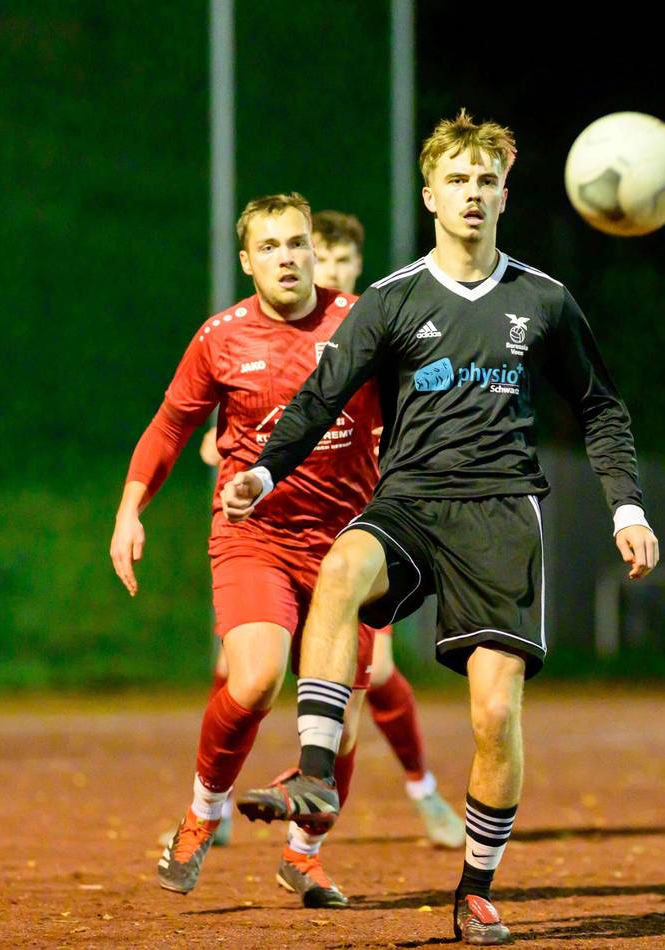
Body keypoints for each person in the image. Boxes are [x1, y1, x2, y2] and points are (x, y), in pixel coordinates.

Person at [221, 111, 660, 945]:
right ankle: (315, 773)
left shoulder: (545, 300)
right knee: (344, 566)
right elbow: (319, 398)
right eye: (456, 180)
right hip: (412, 500)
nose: (472, 194)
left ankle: (476, 889)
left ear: (504, 195)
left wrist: (626, 505)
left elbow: (601, 406)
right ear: (430, 195)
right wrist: (267, 469)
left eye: (485, 181)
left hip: (503, 513)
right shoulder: (393, 299)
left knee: (495, 717)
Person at [110, 192, 385, 909]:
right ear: (246, 261)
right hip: (254, 536)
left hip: (346, 548)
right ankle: (203, 814)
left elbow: (406, 418)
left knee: (343, 724)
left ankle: (306, 856)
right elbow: (169, 428)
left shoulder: (361, 322)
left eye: (296, 243)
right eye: (270, 247)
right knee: (257, 678)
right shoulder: (221, 337)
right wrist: (129, 510)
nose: (287, 257)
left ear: (312, 250)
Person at [199, 209, 464, 850]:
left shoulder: (366, 337)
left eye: (344, 263)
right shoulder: (258, 341)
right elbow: (221, 441)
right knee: (244, 669)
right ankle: (217, 798)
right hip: (267, 531)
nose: (333, 271)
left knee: (370, 680)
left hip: (353, 534)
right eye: (325, 258)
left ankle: (414, 792)